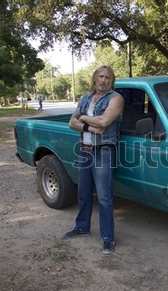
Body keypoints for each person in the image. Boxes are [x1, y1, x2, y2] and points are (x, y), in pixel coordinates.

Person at [62, 66, 124, 254]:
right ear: (95, 79)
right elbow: (71, 123)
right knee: (84, 192)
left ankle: (108, 238)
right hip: (85, 150)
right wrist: (89, 127)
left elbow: (104, 122)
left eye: (107, 77)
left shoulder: (116, 99)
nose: (103, 80)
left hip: (103, 151)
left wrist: (82, 117)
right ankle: (82, 227)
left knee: (104, 197)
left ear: (111, 81)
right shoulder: (85, 98)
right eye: (100, 76)